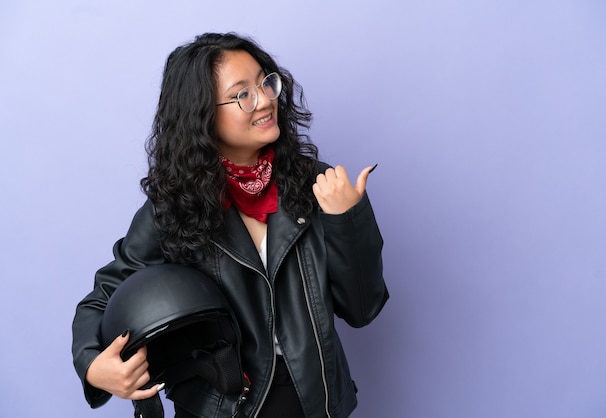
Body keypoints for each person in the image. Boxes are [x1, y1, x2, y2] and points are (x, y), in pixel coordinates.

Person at [72, 32, 388, 418]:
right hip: (222, 405)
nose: (266, 99)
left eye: (265, 82)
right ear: (202, 114)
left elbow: (362, 309)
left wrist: (346, 219)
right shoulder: (174, 205)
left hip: (313, 400)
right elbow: (105, 295)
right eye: (243, 94)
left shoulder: (320, 186)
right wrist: (92, 365)